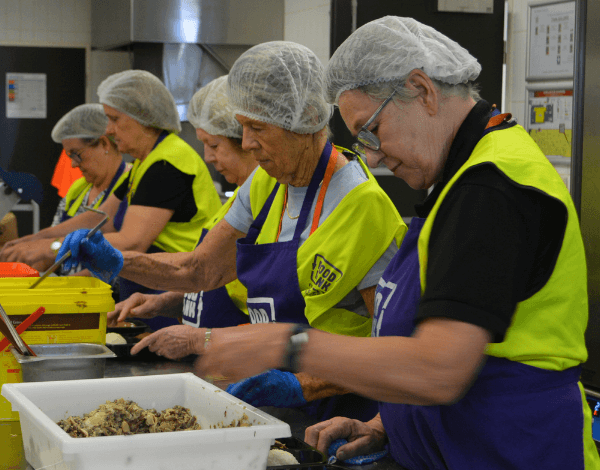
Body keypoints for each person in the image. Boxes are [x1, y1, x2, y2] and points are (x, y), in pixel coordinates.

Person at [127, 17, 597, 470]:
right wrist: (385, 422)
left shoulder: (490, 188)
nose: (371, 154)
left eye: (372, 130)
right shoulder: (461, 177)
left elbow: (441, 368)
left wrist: (288, 346)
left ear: (423, 90)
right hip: (454, 443)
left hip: (511, 449)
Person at [59, 42, 407, 420]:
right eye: (242, 127)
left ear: (305, 120)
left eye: (257, 127)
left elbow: (392, 348)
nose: (246, 143)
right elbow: (200, 270)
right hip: (269, 399)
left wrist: (304, 385)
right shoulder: (266, 182)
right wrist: (117, 261)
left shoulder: (360, 205)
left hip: (340, 411)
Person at [48, 71, 222, 331]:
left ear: (143, 117)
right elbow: (101, 220)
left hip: (171, 291)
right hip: (146, 292)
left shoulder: (168, 162)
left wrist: (53, 248)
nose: (108, 129)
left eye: (115, 119)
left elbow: (133, 240)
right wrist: (35, 242)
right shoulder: (143, 163)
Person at [109, 75, 255, 329]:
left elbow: (200, 270)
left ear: (247, 141)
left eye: (214, 145)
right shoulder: (241, 197)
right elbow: (218, 283)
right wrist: (165, 302)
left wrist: (107, 256)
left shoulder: (169, 162)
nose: (208, 157)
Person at [0, 104, 130, 274]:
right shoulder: (78, 189)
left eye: (77, 154)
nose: (73, 164)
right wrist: (22, 257)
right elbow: (50, 252)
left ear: (104, 144)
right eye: (70, 156)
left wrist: (69, 282)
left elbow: (124, 251)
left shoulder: (131, 184)